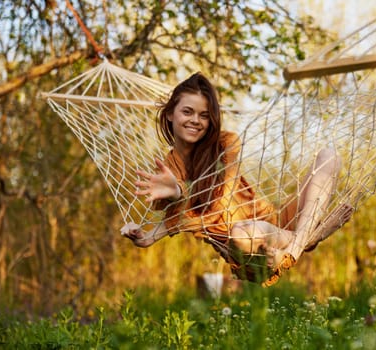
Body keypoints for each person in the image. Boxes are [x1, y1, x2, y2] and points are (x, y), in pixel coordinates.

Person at [121, 72, 353, 285]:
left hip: (274, 224)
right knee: (241, 234)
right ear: (171, 114)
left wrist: (181, 192)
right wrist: (144, 234)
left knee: (329, 156)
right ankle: (311, 236)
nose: (195, 120)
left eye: (204, 115)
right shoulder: (169, 168)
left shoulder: (225, 144)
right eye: (187, 112)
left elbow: (220, 198)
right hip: (247, 248)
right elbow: (174, 222)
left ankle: (297, 243)